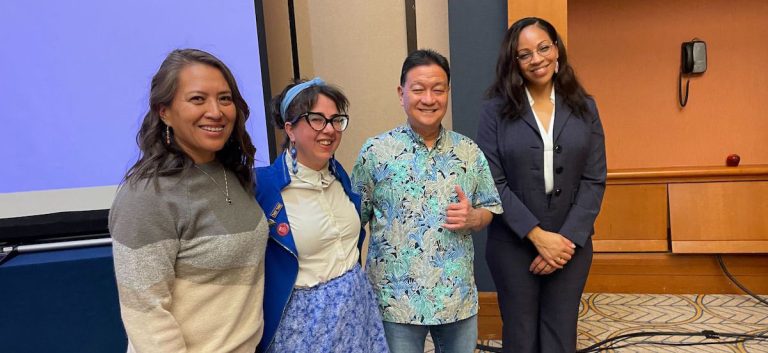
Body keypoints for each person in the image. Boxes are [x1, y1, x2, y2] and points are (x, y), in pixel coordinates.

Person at [109, 49, 269, 353]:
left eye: (224, 98)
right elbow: (147, 316)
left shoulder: (230, 173)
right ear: (164, 111)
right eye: (198, 99)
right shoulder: (147, 195)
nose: (216, 111)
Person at [352, 49, 503, 353]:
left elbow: (490, 206)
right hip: (395, 301)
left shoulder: (469, 152)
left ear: (448, 92)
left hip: (455, 296)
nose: (429, 99)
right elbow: (355, 219)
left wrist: (474, 217)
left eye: (438, 89)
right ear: (401, 93)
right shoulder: (376, 152)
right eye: (418, 89)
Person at [477, 17, 607, 353]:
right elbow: (493, 181)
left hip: (571, 244)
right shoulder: (495, 110)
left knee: (560, 336)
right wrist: (537, 237)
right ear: (514, 62)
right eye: (524, 54)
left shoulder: (585, 107)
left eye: (543, 47)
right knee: (520, 338)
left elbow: (594, 179)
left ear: (557, 50)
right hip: (513, 244)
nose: (536, 59)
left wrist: (563, 241)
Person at [254, 78, 389, 353]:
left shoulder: (338, 175)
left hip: (357, 310)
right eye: (316, 119)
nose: (329, 129)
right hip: (305, 325)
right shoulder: (265, 188)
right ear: (290, 129)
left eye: (336, 120)